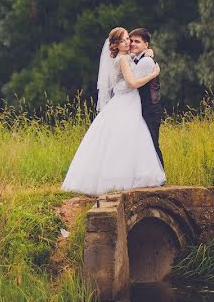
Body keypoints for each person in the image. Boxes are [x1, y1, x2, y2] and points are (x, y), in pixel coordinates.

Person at [61, 27, 166, 196]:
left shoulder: (125, 57)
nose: (128, 43)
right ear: (116, 44)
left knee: (126, 140)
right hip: (126, 100)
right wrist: (154, 74)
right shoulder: (123, 59)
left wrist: (148, 51)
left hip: (128, 101)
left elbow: (133, 62)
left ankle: (125, 177)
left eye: (129, 40)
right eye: (125, 40)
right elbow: (132, 83)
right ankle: (121, 180)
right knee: (124, 140)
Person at [129, 28, 164, 169]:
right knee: (143, 144)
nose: (132, 44)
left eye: (137, 41)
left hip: (150, 108)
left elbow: (132, 83)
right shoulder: (135, 59)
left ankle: (160, 176)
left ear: (146, 45)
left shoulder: (146, 62)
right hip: (142, 108)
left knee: (152, 143)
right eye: (131, 41)